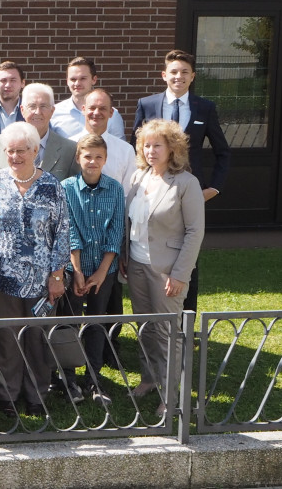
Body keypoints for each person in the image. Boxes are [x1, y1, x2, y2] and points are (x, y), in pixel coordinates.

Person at [0, 122, 70, 417]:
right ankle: (7, 394)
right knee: (6, 339)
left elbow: (62, 233)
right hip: (4, 280)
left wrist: (56, 276)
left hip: (42, 282)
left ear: (35, 150)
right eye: (9, 150)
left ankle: (37, 394)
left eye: (21, 151)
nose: (14, 156)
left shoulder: (52, 186)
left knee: (38, 340)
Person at [133, 49, 230, 314]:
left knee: (188, 255)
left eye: (185, 72)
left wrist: (213, 188)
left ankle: (186, 322)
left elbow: (223, 151)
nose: (179, 76)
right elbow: (137, 148)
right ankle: (153, 311)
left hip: (189, 192)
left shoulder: (205, 108)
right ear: (164, 75)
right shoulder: (147, 104)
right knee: (156, 244)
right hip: (156, 192)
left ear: (192, 76)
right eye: (174, 72)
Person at [124, 119, 205, 412]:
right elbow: (130, 222)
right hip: (136, 264)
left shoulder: (186, 183)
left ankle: (171, 395)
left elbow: (195, 232)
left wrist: (181, 274)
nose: (151, 150)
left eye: (158, 145)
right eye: (146, 145)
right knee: (144, 327)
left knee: (167, 332)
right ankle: (148, 379)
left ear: (173, 148)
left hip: (167, 270)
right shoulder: (138, 178)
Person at [60, 133, 124, 404]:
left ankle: (94, 380)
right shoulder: (66, 188)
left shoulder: (115, 189)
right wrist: (77, 271)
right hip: (75, 269)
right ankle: (69, 380)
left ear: (105, 159)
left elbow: (116, 231)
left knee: (96, 322)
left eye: (98, 157)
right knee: (71, 322)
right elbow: (69, 230)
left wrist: (101, 272)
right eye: (87, 156)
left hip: (103, 270)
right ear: (78, 158)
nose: (93, 161)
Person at [0, 83, 81, 182]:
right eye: (32, 106)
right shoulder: (0, 143)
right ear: (22, 110)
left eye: (43, 106)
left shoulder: (69, 149)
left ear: (52, 111)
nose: (37, 112)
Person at [70, 89, 135, 189]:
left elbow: (127, 193)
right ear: (83, 110)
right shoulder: (69, 145)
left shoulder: (126, 151)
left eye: (102, 108)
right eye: (92, 108)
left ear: (111, 112)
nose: (96, 113)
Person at [52, 57, 126, 140]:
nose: (77, 83)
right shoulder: (54, 112)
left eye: (83, 78)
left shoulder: (111, 115)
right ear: (67, 81)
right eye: (73, 79)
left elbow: (119, 148)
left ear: (94, 80)